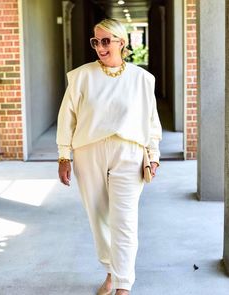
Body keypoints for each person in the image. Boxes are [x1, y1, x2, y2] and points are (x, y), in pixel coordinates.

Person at [56, 18, 162, 295]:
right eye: (96, 41)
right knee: (99, 217)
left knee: (124, 220)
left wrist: (153, 154)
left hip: (129, 153)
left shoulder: (142, 79)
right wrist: (63, 156)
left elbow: (151, 120)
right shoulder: (80, 77)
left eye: (106, 41)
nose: (100, 47)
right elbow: (67, 118)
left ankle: (123, 285)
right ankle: (111, 272)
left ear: (121, 42)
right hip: (88, 152)